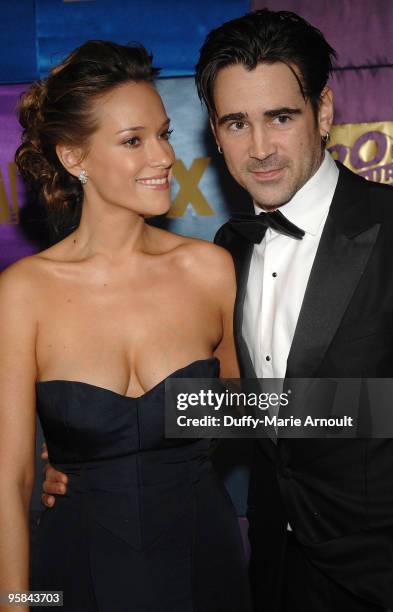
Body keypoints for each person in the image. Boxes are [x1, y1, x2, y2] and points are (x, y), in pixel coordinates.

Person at [0, 40, 251, 612]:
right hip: (70, 571)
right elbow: (8, 487)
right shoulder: (22, 293)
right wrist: (16, 603)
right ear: (75, 158)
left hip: (202, 557)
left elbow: (259, 412)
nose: (163, 156)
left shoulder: (209, 269)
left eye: (163, 133)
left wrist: (387, 409)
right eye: (134, 140)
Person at [194, 9, 393, 612]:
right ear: (214, 134)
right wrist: (104, 453)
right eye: (236, 123)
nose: (259, 148)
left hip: (387, 574)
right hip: (271, 568)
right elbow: (237, 409)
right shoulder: (227, 248)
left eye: (281, 118)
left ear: (322, 112)